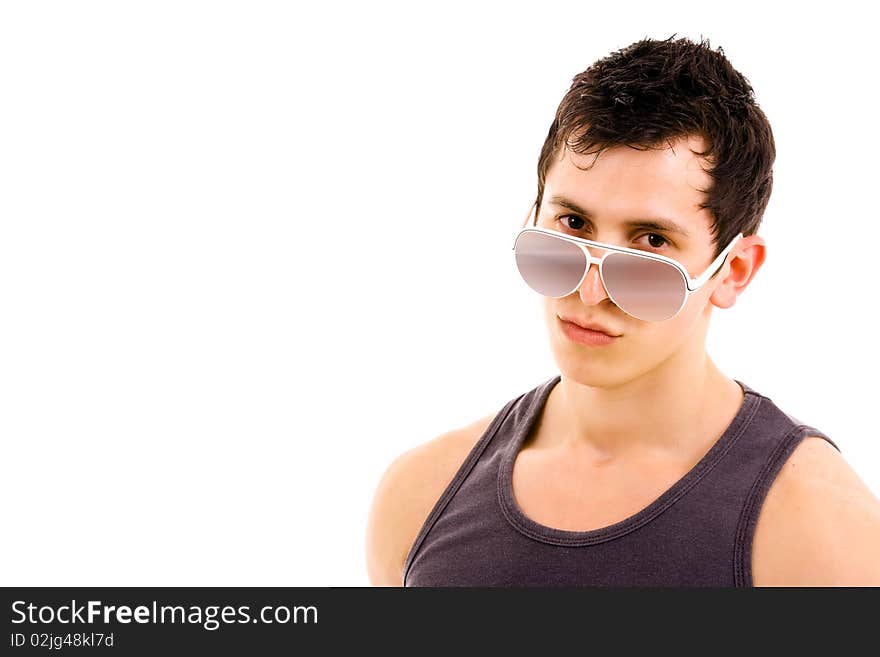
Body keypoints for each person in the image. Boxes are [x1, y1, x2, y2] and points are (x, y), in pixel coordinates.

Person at [365, 35, 880, 586]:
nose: (590, 293)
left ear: (733, 272)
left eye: (651, 243)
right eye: (573, 225)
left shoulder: (820, 534)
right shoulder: (419, 498)